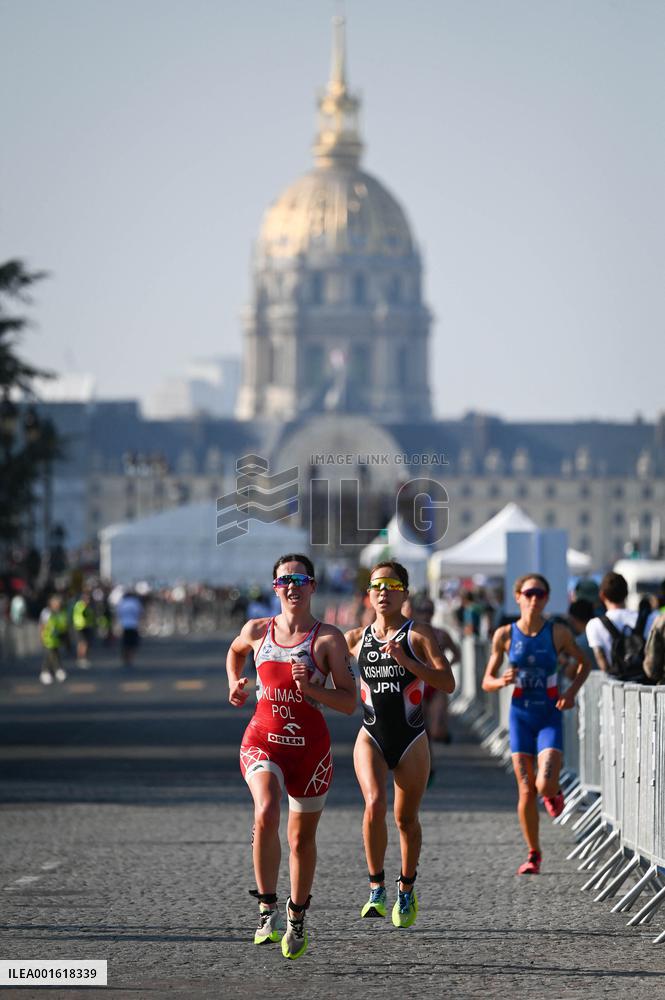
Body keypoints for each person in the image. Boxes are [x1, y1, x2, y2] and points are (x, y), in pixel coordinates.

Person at [227, 554, 356, 960]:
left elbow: (350, 702)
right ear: (275, 588)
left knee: (300, 840)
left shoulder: (328, 639)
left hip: (310, 754)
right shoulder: (257, 629)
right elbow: (234, 652)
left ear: (314, 586)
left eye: (301, 579)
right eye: (285, 581)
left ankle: (296, 915)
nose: (293, 586)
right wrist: (235, 683)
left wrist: (312, 689)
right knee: (265, 811)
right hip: (263, 740)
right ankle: (266, 908)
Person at [346, 561, 455, 928]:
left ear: (404, 594)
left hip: (411, 738)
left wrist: (406, 660)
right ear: (368, 594)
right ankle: (376, 887)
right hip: (371, 735)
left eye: (392, 585)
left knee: (405, 819)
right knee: (374, 803)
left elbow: (447, 682)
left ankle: (406, 888)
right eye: (377, 585)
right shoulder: (355, 637)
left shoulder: (418, 634)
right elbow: (321, 665)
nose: (383, 591)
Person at [482, 574, 589, 875]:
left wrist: (569, 693)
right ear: (517, 597)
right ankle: (534, 853)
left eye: (540, 594)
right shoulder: (504, 634)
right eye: (528, 593)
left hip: (548, 717)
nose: (534, 599)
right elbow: (485, 681)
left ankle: (553, 793)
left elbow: (584, 664)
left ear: (546, 598)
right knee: (526, 791)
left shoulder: (558, 633)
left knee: (544, 783)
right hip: (520, 719)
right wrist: (499, 680)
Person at [403, 594, 460, 759]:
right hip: (416, 685)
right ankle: (429, 766)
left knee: (435, 731)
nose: (426, 614)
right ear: (415, 611)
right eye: (422, 610)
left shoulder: (441, 634)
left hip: (435, 686)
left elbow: (458, 654)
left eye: (429, 610)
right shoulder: (409, 633)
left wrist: (444, 667)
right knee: (422, 731)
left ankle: (443, 735)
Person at [585, 571, 652, 674]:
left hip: (614, 685)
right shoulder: (647, 619)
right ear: (626, 593)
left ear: (602, 595)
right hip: (644, 683)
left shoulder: (594, 625)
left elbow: (602, 661)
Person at [38, 593, 68, 685]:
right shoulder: (46, 612)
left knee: (55, 654)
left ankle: (55, 671)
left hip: (56, 639)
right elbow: (42, 626)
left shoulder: (61, 612)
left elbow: (63, 625)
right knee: (49, 655)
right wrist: (42, 636)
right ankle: (46, 672)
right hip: (48, 638)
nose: (57, 605)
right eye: (55, 603)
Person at [116, 590, 143, 667]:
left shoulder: (122, 603)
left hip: (124, 625)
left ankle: (125, 657)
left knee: (125, 643)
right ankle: (130, 658)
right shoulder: (135, 602)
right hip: (133, 625)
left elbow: (119, 613)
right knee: (132, 644)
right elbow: (140, 613)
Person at [72, 591, 96, 668]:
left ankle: (81, 658)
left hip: (84, 626)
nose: (88, 601)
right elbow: (84, 614)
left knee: (82, 643)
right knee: (83, 643)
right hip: (80, 627)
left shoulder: (81, 605)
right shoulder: (81, 606)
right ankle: (82, 658)